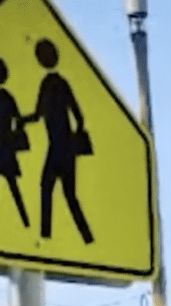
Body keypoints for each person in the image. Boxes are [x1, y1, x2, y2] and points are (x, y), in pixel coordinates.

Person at [22, 38, 93, 244]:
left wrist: (23, 120)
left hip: (59, 147)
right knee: (65, 194)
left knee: (48, 188)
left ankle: (47, 236)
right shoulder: (57, 83)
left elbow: (38, 115)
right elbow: (77, 115)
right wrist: (76, 135)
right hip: (64, 146)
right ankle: (83, 237)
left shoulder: (51, 84)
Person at [0, 58, 30, 228]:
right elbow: (18, 120)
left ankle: (25, 223)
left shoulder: (6, 98)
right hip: (6, 147)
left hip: (4, 147)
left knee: (14, 187)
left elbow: (17, 120)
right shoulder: (7, 97)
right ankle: (25, 222)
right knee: (13, 187)